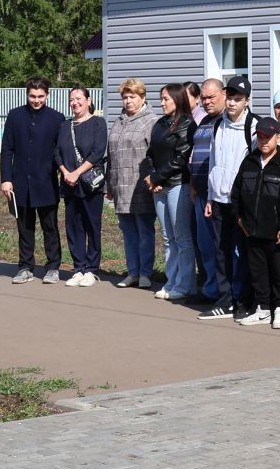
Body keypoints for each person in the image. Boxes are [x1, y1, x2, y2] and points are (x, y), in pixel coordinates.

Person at [199, 75, 265, 320]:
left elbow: (260, 165)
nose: (232, 104)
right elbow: (214, 161)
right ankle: (225, 300)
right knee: (221, 251)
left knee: (245, 252)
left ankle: (245, 299)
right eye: (230, 98)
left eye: (238, 99)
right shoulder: (218, 124)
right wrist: (209, 195)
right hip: (218, 198)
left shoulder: (254, 126)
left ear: (247, 101)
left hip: (243, 202)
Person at [233, 117, 280, 327]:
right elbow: (236, 192)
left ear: (278, 138)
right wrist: (239, 218)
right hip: (251, 229)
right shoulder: (249, 161)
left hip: (275, 232)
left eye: (268, 138)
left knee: (279, 271)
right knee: (258, 270)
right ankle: (263, 307)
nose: (263, 142)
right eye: (260, 137)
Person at [0, 77, 63, 284]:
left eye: (41, 96)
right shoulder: (15, 116)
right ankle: (25, 267)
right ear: (27, 94)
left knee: (50, 227)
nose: (36, 100)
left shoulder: (57, 118)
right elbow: (7, 149)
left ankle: (53, 267)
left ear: (48, 95)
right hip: (20, 183)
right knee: (25, 228)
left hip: (46, 182)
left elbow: (60, 152)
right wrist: (6, 179)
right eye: (33, 96)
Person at [146, 83, 197, 302]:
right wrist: (152, 177)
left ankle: (185, 284)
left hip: (178, 185)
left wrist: (157, 177)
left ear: (178, 99)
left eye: (166, 98)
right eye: (161, 98)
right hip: (159, 187)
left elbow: (181, 158)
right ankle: (171, 281)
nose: (162, 102)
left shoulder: (187, 124)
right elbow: (149, 154)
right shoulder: (159, 124)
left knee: (181, 237)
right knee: (167, 238)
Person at [106, 79, 158, 287]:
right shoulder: (118, 121)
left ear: (143, 97)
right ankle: (133, 272)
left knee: (144, 230)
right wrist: (109, 185)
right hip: (120, 186)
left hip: (141, 186)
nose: (128, 101)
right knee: (128, 231)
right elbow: (111, 155)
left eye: (132, 97)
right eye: (125, 97)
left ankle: (145, 273)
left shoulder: (151, 121)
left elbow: (155, 155)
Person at [57, 88, 108, 286]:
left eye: (79, 99)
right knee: (73, 226)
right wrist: (65, 172)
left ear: (88, 100)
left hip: (89, 184)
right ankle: (78, 268)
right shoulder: (64, 126)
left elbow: (97, 152)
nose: (75, 103)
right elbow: (57, 153)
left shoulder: (98, 123)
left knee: (92, 226)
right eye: (72, 100)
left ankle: (92, 269)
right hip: (69, 184)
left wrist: (77, 173)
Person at [189, 78, 230, 307]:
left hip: (219, 195)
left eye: (211, 97)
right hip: (200, 193)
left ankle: (225, 292)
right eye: (203, 98)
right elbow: (195, 154)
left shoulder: (227, 121)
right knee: (204, 245)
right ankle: (210, 288)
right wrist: (194, 186)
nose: (206, 102)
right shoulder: (204, 120)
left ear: (223, 95)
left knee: (220, 247)